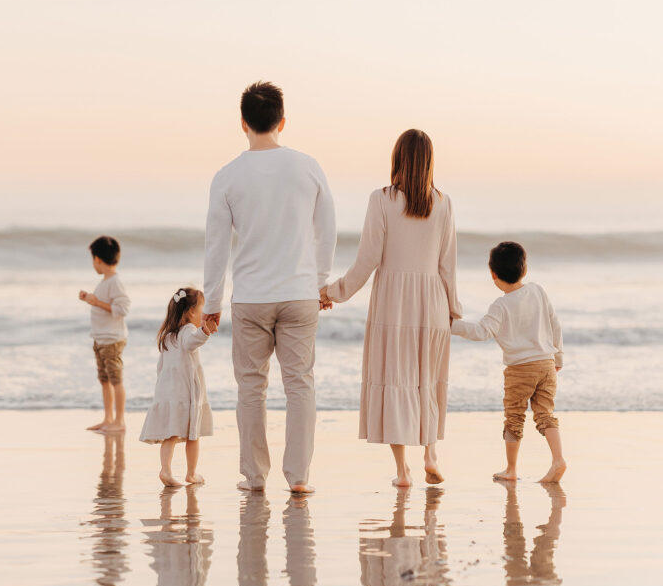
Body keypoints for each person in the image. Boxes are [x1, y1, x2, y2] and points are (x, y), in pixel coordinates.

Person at [203, 81, 336, 494]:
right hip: (299, 293)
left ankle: (255, 477)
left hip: (251, 298)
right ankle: (298, 478)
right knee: (300, 385)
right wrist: (320, 282)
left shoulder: (227, 176)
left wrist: (211, 302)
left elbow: (216, 246)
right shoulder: (307, 166)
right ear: (282, 121)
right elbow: (327, 228)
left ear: (243, 123)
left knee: (251, 387)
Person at [321, 129, 461, 487]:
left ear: (397, 158)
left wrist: (335, 292)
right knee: (426, 383)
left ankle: (402, 471)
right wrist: (452, 311)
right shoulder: (443, 203)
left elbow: (367, 260)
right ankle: (430, 453)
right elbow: (448, 265)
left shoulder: (381, 200)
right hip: (432, 303)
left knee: (396, 381)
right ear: (429, 162)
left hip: (393, 305)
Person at [451, 241, 566, 482]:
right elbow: (555, 323)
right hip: (546, 364)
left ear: (493, 274)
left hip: (520, 369)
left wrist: (452, 325)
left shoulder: (500, 306)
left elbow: (481, 332)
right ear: (524, 269)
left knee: (514, 417)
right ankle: (558, 459)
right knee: (545, 414)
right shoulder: (537, 291)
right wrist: (558, 355)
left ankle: (511, 469)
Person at [139, 287, 217, 487]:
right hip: (185, 393)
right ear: (192, 312)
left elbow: (160, 367)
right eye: (202, 308)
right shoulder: (188, 331)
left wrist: (160, 389)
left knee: (170, 435)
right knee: (193, 434)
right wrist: (205, 330)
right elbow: (192, 342)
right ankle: (191, 473)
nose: (204, 312)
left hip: (167, 391)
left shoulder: (168, 336)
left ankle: (166, 470)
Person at [79, 235, 131, 433]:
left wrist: (96, 302)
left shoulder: (115, 282)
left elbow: (123, 308)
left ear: (98, 259)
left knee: (115, 379)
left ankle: (119, 420)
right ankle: (108, 418)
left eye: (93, 259)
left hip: (112, 340)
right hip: (101, 338)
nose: (93, 263)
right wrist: (89, 299)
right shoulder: (105, 282)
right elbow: (104, 305)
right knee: (104, 379)